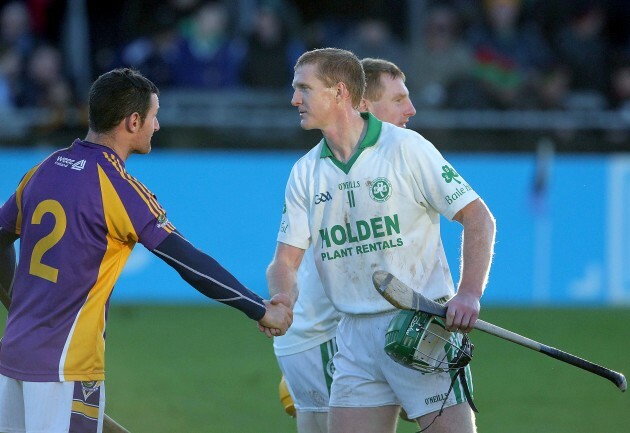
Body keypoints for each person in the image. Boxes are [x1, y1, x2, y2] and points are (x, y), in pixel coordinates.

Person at [0, 67, 292, 433]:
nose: (157, 126)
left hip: (12, 358)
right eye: (154, 117)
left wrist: (16, 305)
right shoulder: (119, 187)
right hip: (67, 365)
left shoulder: (43, 169)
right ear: (133, 121)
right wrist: (259, 308)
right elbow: (188, 261)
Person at [267, 48, 496, 433]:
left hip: (421, 325)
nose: (294, 99)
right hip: (353, 336)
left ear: (339, 93)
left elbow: (478, 218)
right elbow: (284, 263)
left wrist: (469, 292)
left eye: (304, 89)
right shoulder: (305, 172)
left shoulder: (406, 148)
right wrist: (285, 298)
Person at [273, 57, 417, 433]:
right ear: (363, 104)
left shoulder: (386, 159)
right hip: (327, 338)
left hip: (327, 339)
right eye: (399, 99)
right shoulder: (323, 168)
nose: (410, 110)